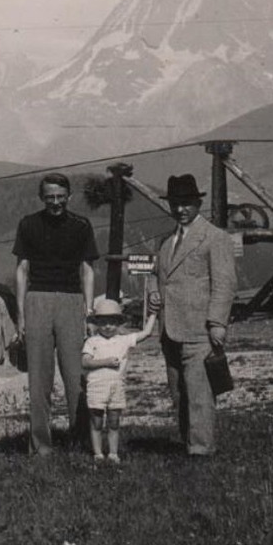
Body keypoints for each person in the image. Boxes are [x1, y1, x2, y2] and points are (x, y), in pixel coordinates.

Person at [149, 173, 237, 457]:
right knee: (180, 393)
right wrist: (153, 293)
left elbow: (225, 283)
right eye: (175, 203)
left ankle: (201, 450)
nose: (180, 210)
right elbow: (157, 276)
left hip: (199, 328)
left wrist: (217, 323)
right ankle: (189, 442)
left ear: (197, 203)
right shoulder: (166, 242)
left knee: (200, 393)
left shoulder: (215, 238)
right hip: (170, 330)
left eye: (186, 203)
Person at [12, 172, 100, 455]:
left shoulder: (81, 226)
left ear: (69, 197)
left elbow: (87, 270)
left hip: (72, 300)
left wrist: (89, 312)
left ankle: (82, 440)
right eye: (50, 197)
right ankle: (41, 446)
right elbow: (22, 270)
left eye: (60, 197)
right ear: (42, 198)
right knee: (39, 378)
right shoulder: (28, 224)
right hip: (37, 300)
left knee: (76, 376)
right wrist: (22, 314)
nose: (55, 203)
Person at [81, 298, 155, 466]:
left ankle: (113, 453)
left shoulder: (123, 340)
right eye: (104, 322)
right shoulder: (92, 341)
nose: (108, 326)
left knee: (114, 421)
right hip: (97, 387)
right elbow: (85, 362)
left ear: (118, 323)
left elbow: (146, 333)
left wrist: (153, 313)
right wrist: (105, 362)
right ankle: (98, 453)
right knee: (97, 421)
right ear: (97, 323)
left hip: (116, 386)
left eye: (112, 322)